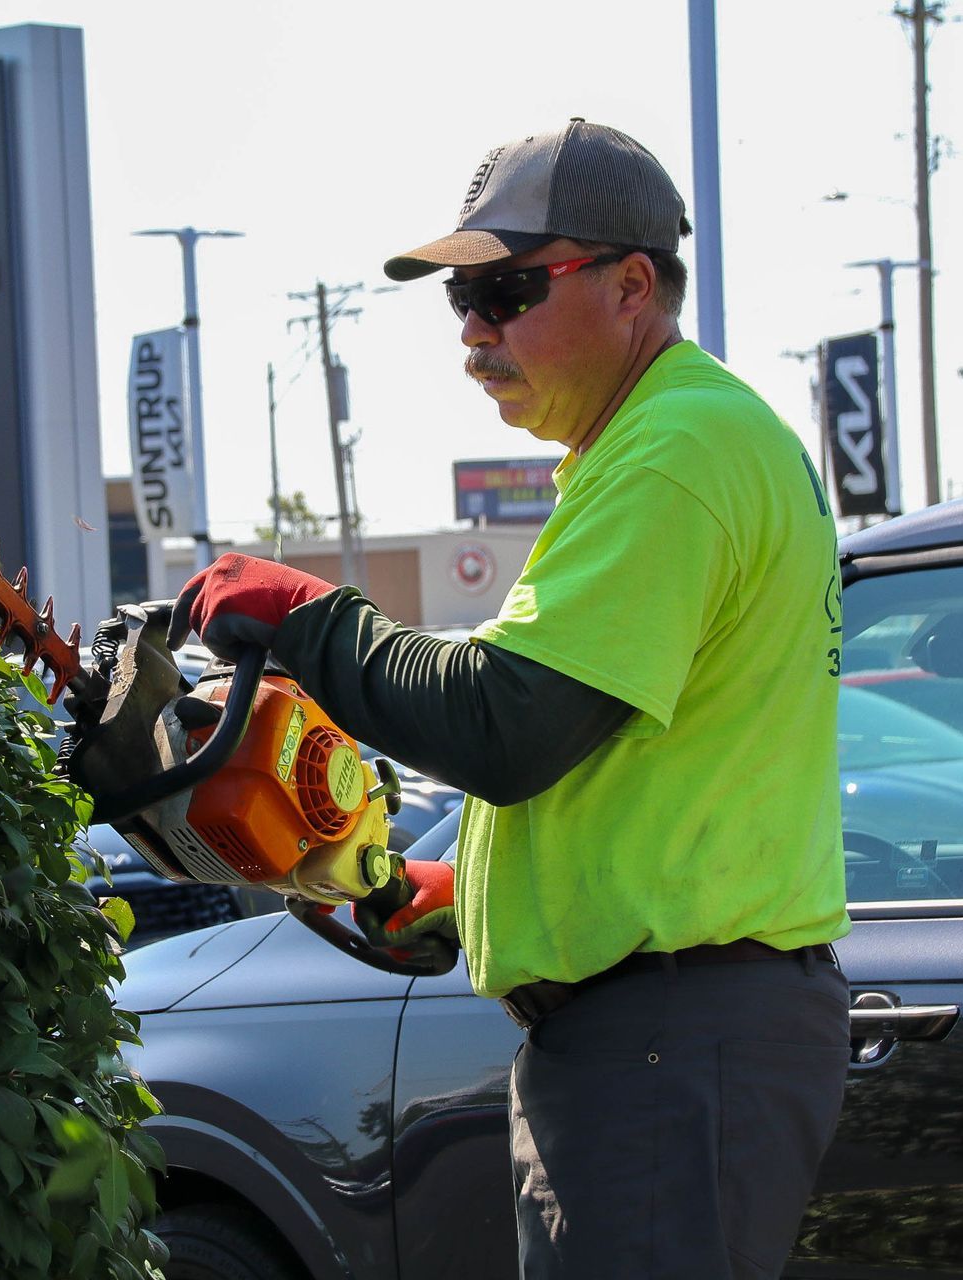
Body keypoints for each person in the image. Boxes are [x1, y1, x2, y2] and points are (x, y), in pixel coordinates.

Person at [171, 119, 850, 1279]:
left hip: (667, 1043)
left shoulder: (674, 453)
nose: (477, 330)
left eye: (510, 289)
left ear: (634, 284)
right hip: (668, 1037)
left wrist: (308, 616)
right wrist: (467, 886)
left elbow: (506, 719)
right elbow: (610, 745)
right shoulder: (671, 439)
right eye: (461, 300)